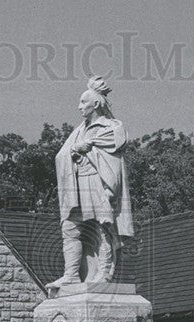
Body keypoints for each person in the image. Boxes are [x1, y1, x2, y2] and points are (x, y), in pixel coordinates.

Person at [47, 76, 134, 288]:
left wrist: (89, 145)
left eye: (83, 102)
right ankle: (71, 274)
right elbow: (63, 154)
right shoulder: (78, 131)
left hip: (98, 183)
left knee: (101, 226)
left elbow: (116, 145)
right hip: (77, 185)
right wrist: (76, 149)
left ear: (95, 104)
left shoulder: (112, 127)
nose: (79, 107)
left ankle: (104, 273)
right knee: (70, 227)